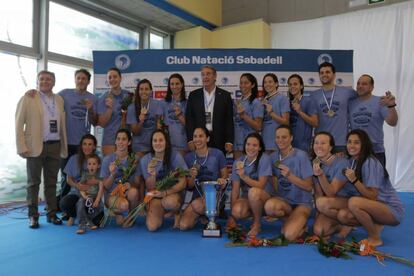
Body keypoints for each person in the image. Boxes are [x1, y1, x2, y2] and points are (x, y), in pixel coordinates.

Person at [15, 70, 67, 228]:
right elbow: (18, 124)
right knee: (33, 183)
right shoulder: (28, 97)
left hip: (55, 145)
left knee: (51, 183)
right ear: (37, 82)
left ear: (54, 82)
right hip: (34, 147)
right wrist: (21, 146)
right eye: (42, 79)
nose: (45, 81)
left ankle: (51, 214)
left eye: (49, 79)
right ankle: (33, 216)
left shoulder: (59, 100)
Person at [337, 129, 404, 246]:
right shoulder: (352, 161)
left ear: (364, 145)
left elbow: (373, 195)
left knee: (354, 202)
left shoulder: (370, 162)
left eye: (356, 142)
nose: (351, 145)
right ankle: (377, 224)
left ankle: (375, 238)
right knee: (343, 215)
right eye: (349, 142)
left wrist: (354, 180)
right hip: (374, 206)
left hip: (391, 210)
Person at [265, 126, 313, 241]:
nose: (280, 140)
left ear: (291, 138)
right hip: (285, 202)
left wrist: (290, 176)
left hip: (302, 203)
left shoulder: (301, 156)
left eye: (284, 137)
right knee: (270, 207)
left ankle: (297, 222)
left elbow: (308, 186)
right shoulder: (272, 157)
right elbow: (270, 182)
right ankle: (292, 220)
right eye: (278, 137)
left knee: (288, 235)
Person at [180, 127, 228, 230]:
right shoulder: (188, 158)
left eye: (201, 136)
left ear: (207, 139)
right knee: (183, 225)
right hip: (196, 199)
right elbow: (189, 186)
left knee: (197, 205)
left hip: (215, 197)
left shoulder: (217, 154)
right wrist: (192, 177)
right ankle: (202, 215)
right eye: (195, 136)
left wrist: (222, 180)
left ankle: (210, 216)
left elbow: (225, 176)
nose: (197, 139)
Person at [311, 132, 357, 239]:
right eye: (316, 143)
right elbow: (318, 193)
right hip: (330, 203)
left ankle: (350, 222)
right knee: (318, 230)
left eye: (323, 143)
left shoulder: (342, 162)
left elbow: (332, 192)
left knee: (321, 203)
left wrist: (321, 175)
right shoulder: (316, 163)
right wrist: (318, 218)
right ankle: (341, 225)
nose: (319, 146)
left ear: (331, 147)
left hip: (348, 201)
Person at [140, 130, 188, 231]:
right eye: (155, 140)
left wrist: (165, 193)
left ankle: (177, 212)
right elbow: (150, 188)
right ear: (151, 143)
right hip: (156, 195)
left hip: (172, 194)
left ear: (167, 142)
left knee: (169, 202)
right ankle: (161, 211)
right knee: (152, 227)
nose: (158, 143)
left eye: (161, 140)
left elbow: (183, 183)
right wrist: (152, 175)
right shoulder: (145, 160)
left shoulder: (175, 156)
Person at [349, 74, 398, 166]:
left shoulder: (380, 101)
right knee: (356, 180)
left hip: (375, 151)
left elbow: (393, 122)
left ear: (371, 87)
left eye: (364, 84)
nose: (360, 86)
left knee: (377, 180)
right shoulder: (350, 103)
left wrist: (391, 106)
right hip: (356, 151)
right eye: (358, 83)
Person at [229, 132, 271, 236]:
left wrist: (244, 177)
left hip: (265, 198)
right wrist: (232, 217)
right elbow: (235, 190)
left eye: (255, 145)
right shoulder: (238, 162)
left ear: (260, 148)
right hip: (247, 198)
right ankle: (255, 212)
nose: (250, 148)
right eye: (248, 144)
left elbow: (261, 185)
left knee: (253, 192)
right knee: (237, 211)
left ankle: (257, 223)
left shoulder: (264, 159)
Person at [185, 65, 234, 154]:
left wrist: (229, 141)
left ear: (215, 76)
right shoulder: (194, 95)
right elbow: (189, 119)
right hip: (199, 139)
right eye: (203, 74)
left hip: (219, 139)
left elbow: (229, 120)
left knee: (218, 166)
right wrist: (190, 139)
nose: (205, 77)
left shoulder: (225, 96)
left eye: (208, 74)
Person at [311, 62, 357, 153]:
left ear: (334, 75)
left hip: (341, 143)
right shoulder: (313, 95)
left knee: (342, 167)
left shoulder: (347, 92)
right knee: (320, 168)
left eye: (327, 72)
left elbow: (363, 97)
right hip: (321, 143)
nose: (324, 75)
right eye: (322, 73)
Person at [60, 134, 103, 226]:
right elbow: (68, 179)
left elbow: (101, 180)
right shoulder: (73, 158)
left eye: (90, 144)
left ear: (94, 146)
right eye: (84, 144)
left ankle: (86, 217)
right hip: (76, 193)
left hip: (93, 195)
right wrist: (77, 185)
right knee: (64, 203)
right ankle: (73, 215)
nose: (87, 147)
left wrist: (92, 183)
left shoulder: (99, 159)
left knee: (98, 223)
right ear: (81, 145)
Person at [101, 129, 140, 225]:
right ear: (115, 141)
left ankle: (131, 215)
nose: (120, 142)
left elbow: (138, 182)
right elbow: (105, 186)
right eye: (118, 139)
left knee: (134, 192)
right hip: (112, 195)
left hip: (126, 193)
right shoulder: (107, 159)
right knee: (123, 205)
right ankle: (118, 213)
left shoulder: (134, 159)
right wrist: (112, 174)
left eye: (124, 139)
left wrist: (130, 185)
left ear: (129, 142)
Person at [97, 67, 132, 156]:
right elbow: (101, 123)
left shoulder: (129, 96)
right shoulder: (103, 98)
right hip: (110, 140)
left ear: (120, 78)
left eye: (115, 76)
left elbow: (133, 119)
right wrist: (109, 109)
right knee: (110, 168)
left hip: (126, 139)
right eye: (110, 77)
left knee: (125, 169)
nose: (112, 79)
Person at [127, 79, 163, 157]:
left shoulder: (157, 104)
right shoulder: (132, 108)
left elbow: (159, 127)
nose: (144, 91)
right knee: (140, 168)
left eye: (146, 89)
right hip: (139, 146)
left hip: (154, 144)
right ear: (138, 91)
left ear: (151, 91)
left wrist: (158, 144)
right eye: (141, 89)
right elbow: (135, 132)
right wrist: (141, 121)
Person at [233, 73, 264, 160]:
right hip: (237, 144)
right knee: (238, 169)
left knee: (250, 170)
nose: (243, 85)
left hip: (250, 144)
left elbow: (258, 126)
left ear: (253, 85)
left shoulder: (256, 103)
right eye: (241, 83)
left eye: (246, 83)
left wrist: (243, 115)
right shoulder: (238, 102)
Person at [287, 74, 318, 152]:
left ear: (301, 86)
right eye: (290, 84)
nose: (292, 86)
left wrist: (299, 112)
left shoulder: (308, 101)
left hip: (303, 146)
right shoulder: (287, 103)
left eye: (295, 84)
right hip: (288, 145)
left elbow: (315, 122)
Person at [261, 73, 290, 154]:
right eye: (265, 82)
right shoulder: (263, 100)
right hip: (264, 140)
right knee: (266, 166)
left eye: (270, 82)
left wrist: (271, 113)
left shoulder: (282, 98)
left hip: (278, 141)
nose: (267, 84)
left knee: (277, 165)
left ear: (276, 83)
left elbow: (286, 122)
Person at [76, 154, 104, 234]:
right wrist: (85, 196)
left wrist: (97, 200)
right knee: (80, 203)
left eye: (94, 164)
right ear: (87, 166)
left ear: (98, 166)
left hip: (95, 197)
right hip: (87, 197)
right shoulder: (85, 175)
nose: (91, 166)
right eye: (89, 164)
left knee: (100, 207)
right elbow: (81, 188)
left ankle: (88, 220)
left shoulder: (99, 176)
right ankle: (81, 224)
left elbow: (101, 189)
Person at [164, 73, 187, 156]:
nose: (174, 86)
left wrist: (180, 115)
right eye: (172, 84)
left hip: (183, 145)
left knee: (181, 168)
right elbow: (161, 124)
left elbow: (189, 125)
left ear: (182, 84)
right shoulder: (164, 103)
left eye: (177, 83)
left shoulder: (187, 103)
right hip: (167, 145)